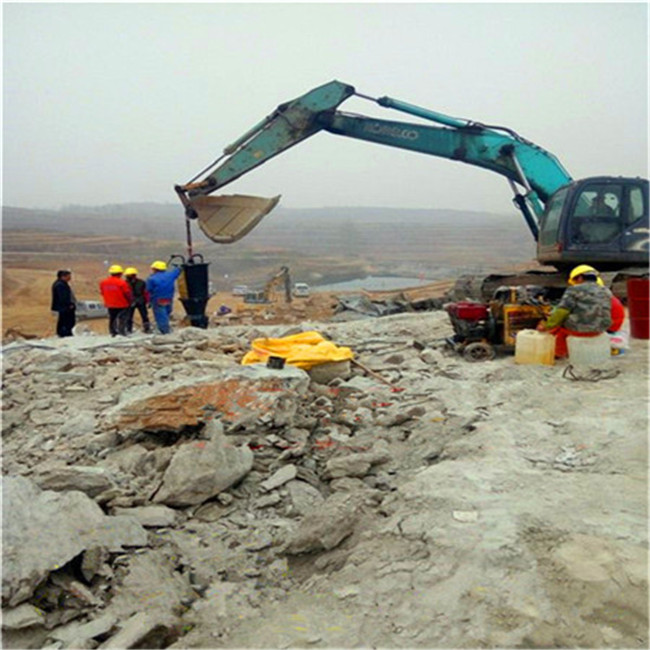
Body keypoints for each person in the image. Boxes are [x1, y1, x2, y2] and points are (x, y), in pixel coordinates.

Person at [537, 264, 613, 358]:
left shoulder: (574, 289)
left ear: (580, 278)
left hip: (580, 330)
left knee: (558, 329)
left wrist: (547, 325)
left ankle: (559, 354)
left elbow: (562, 311)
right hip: (601, 328)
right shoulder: (606, 290)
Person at [146, 260, 181, 334]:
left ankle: (165, 331)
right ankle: (165, 328)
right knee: (166, 313)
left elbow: (148, 290)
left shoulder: (151, 279)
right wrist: (178, 267)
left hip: (157, 299)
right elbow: (178, 271)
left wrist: (148, 301)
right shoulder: (170, 275)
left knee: (161, 315)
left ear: (155, 269)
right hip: (169, 298)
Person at [99, 264, 133, 336]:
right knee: (122, 318)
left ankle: (112, 332)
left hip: (110, 304)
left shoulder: (103, 282)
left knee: (112, 318)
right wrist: (130, 301)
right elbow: (127, 293)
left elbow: (102, 293)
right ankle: (122, 332)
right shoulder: (122, 282)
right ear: (120, 273)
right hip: (122, 304)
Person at [124, 267, 152, 334]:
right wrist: (148, 301)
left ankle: (129, 330)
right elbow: (146, 293)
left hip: (132, 301)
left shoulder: (124, 283)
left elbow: (145, 292)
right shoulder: (141, 282)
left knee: (129, 316)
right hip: (140, 301)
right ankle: (147, 329)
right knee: (144, 315)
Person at [51, 269, 76, 337]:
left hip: (64, 307)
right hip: (64, 307)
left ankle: (64, 333)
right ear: (63, 276)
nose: (70, 278)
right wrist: (69, 304)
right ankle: (65, 334)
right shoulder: (60, 285)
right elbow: (63, 297)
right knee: (66, 321)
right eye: (68, 276)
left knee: (64, 321)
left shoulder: (62, 284)